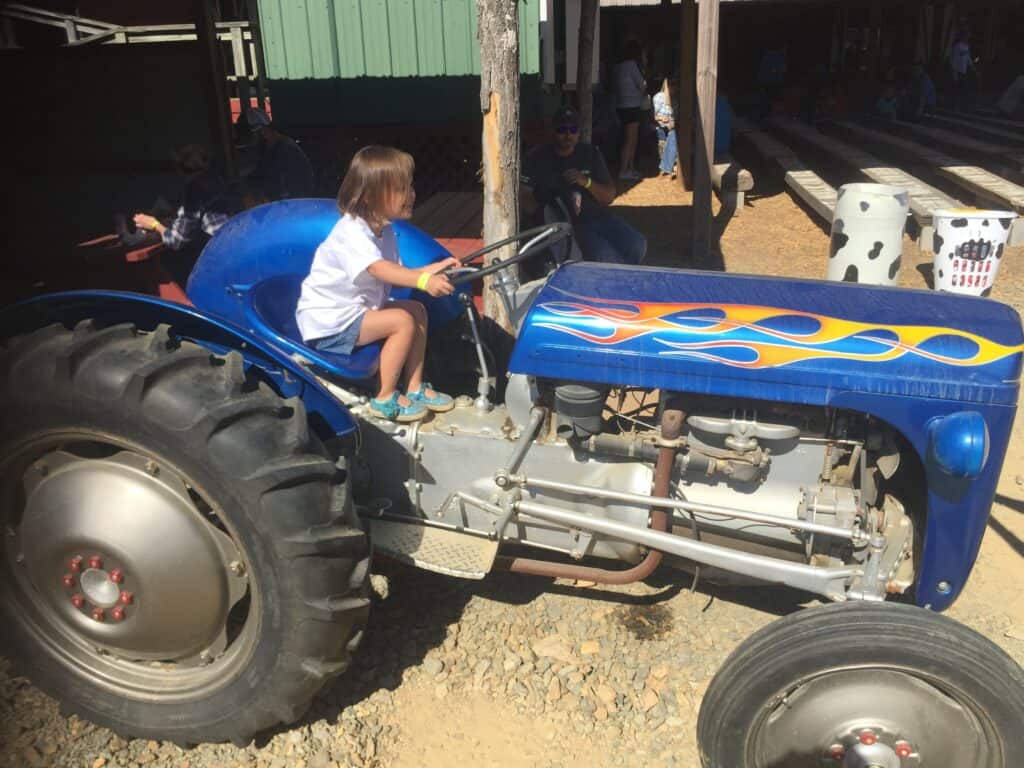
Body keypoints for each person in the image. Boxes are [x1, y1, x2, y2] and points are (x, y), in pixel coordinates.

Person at [295, 146, 458, 423]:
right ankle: (383, 397)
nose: (411, 195)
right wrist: (423, 280)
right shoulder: (352, 231)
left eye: (410, 187)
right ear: (370, 196)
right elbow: (379, 269)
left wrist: (430, 270)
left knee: (417, 309)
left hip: (355, 312)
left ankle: (415, 386)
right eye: (401, 189)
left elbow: (394, 272)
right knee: (402, 321)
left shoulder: (384, 230)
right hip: (330, 323)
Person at [521, 106, 646, 266]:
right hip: (562, 223)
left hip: (596, 216)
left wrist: (585, 181)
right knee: (605, 255)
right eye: (562, 129)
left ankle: (619, 280)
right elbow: (524, 196)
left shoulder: (590, 153)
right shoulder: (536, 157)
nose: (568, 135)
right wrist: (547, 215)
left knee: (638, 244)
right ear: (553, 131)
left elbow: (608, 196)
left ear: (579, 132)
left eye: (573, 129)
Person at [133, 144, 234, 251]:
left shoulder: (194, 190)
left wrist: (154, 224)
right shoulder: (218, 180)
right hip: (236, 239)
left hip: (223, 249)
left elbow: (177, 240)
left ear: (180, 171)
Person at [243, 107, 315, 201]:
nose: (255, 139)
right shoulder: (267, 147)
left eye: (257, 134)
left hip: (292, 202)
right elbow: (261, 172)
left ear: (264, 131)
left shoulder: (287, 149)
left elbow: (294, 186)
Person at [613, 40, 647, 181]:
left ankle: (630, 169)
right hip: (632, 105)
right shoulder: (632, 65)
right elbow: (642, 85)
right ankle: (625, 170)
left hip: (621, 105)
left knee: (627, 138)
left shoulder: (618, 66)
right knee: (631, 140)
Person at [653, 79, 678, 179]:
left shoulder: (676, 98)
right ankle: (666, 166)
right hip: (661, 124)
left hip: (672, 124)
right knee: (665, 140)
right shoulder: (659, 97)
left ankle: (669, 166)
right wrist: (662, 119)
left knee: (673, 135)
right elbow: (654, 116)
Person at [950, 32, 975, 113]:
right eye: (967, 36)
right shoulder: (957, 46)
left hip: (963, 71)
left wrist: (973, 67)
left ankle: (961, 106)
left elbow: (968, 59)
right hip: (958, 71)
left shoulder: (966, 46)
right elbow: (954, 60)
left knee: (963, 89)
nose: (968, 38)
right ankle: (955, 106)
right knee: (958, 89)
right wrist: (954, 73)